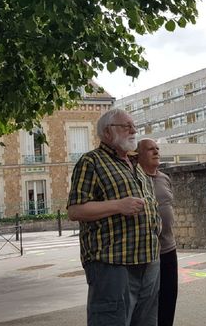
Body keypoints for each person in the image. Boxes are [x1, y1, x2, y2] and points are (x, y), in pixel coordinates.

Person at [67, 108, 161, 326]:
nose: (133, 130)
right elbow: (75, 210)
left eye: (134, 126)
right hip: (112, 264)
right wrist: (119, 205)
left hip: (148, 261)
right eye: (126, 126)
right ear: (108, 132)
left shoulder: (135, 166)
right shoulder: (91, 162)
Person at [136, 139, 177, 326]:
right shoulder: (134, 179)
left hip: (169, 248)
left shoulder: (164, 178)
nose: (156, 152)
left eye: (157, 149)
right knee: (148, 303)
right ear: (138, 155)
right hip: (147, 252)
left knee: (169, 298)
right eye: (150, 149)